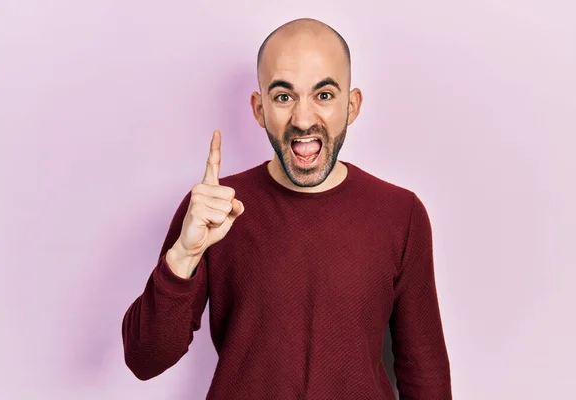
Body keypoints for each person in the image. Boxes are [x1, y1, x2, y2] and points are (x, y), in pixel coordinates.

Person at [122, 17, 452, 400]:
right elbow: (144, 360)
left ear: (352, 104)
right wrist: (184, 255)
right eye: (284, 97)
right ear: (259, 109)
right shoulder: (214, 209)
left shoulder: (401, 213)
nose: (304, 119)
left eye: (324, 95)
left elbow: (423, 368)